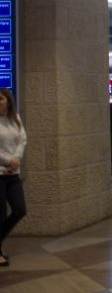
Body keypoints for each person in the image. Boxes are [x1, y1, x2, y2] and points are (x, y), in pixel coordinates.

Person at [0, 88, 27, 267]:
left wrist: (16, 159)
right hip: (0, 173)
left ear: (8, 101)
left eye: (0, 99)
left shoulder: (15, 118)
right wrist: (9, 161)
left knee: (19, 209)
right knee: (0, 214)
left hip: (13, 174)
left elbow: (22, 140)